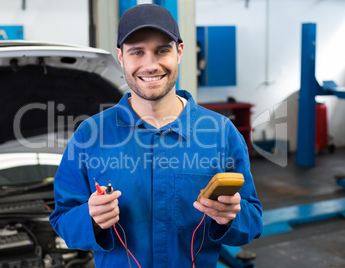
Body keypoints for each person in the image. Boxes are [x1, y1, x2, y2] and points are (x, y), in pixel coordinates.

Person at [50, 4, 263, 267]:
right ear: (121, 57)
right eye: (137, 52)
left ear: (179, 52)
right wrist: (90, 219)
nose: (150, 65)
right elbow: (62, 220)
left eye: (162, 50)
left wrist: (232, 217)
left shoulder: (221, 133)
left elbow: (253, 220)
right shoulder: (90, 136)